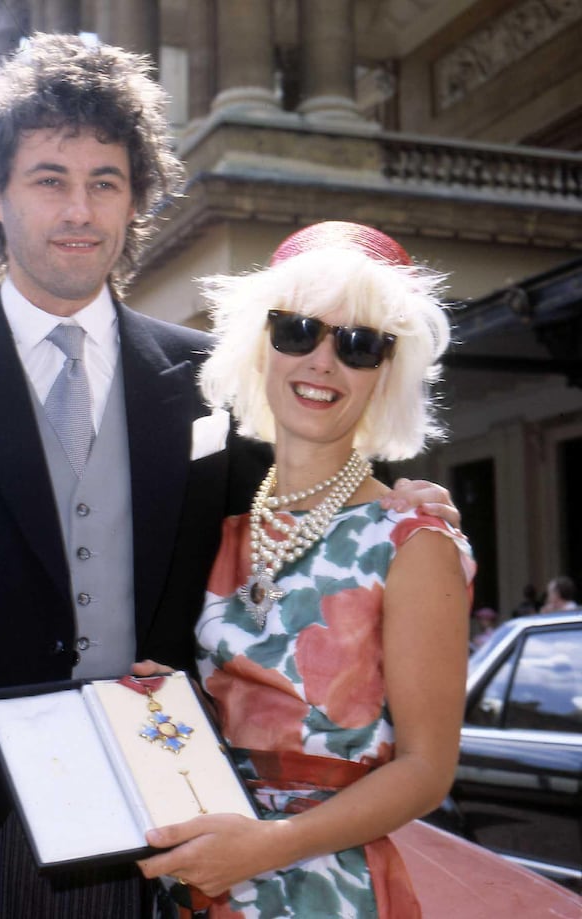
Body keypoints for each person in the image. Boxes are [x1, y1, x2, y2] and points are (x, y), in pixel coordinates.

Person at [0, 34, 460, 919]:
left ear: (135, 203)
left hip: (163, 823)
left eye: (106, 181)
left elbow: (302, 492)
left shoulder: (211, 377)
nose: (78, 209)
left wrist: (410, 492)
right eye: (50, 178)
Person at [137, 221, 475, 918]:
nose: (323, 362)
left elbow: (426, 769)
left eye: (358, 344)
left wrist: (266, 845)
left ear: (387, 374)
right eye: (297, 331)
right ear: (261, 347)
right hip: (198, 880)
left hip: (324, 891)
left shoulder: (413, 540)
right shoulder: (219, 522)